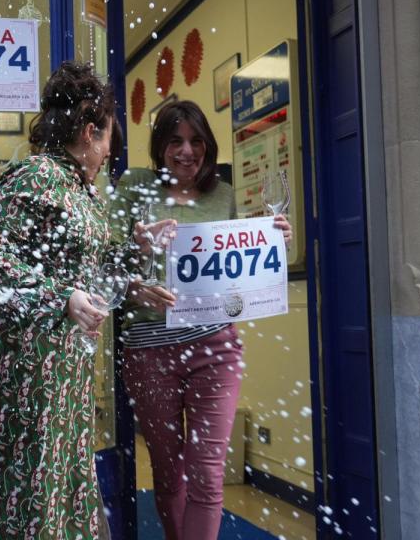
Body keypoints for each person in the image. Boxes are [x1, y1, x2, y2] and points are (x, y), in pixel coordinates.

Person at [0, 62, 157, 539]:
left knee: (57, 478)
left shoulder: (82, 191)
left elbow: (94, 271)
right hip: (28, 367)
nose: (109, 154)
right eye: (108, 141)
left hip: (65, 366)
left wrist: (137, 252)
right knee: (27, 483)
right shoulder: (35, 175)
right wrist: (61, 298)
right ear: (89, 132)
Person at [109, 100, 292, 540]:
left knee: (209, 474)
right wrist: (138, 256)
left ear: (208, 146)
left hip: (216, 349)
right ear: (159, 146)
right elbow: (104, 268)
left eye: (195, 141)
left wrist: (273, 244)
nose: (186, 151)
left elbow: (236, 273)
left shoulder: (224, 195)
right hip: (149, 350)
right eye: (175, 140)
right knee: (170, 473)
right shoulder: (135, 185)